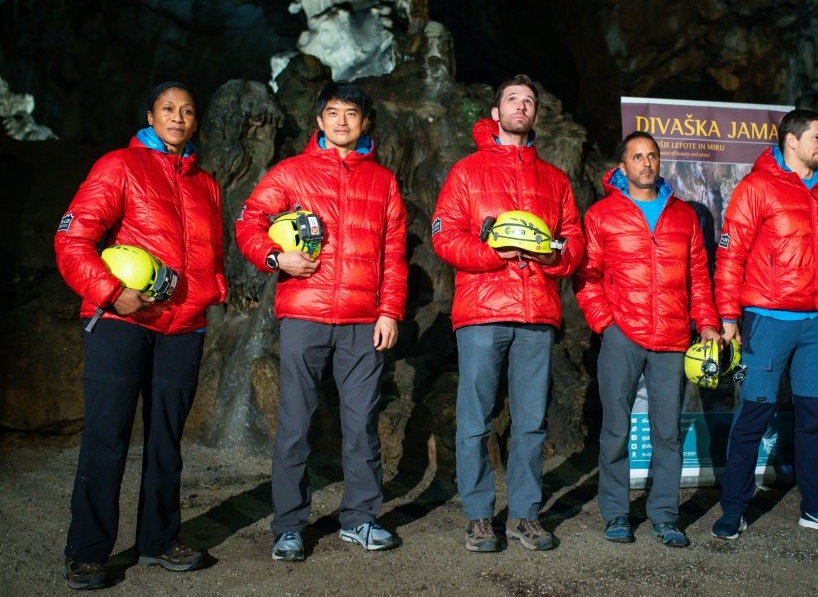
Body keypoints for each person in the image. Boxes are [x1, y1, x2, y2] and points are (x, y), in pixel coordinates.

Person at [54, 82, 226, 589]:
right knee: (107, 436)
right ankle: (87, 551)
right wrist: (110, 293)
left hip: (184, 327)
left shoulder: (205, 183)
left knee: (167, 442)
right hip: (123, 322)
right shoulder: (119, 166)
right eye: (168, 109)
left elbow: (208, 251)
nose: (178, 117)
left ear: (196, 123)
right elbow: (71, 237)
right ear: (149, 115)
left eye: (187, 111)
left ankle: (159, 539)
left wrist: (214, 290)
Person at [235, 81, 407, 560]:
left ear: (365, 122)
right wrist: (275, 258)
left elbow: (394, 254)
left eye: (352, 114)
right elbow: (248, 221)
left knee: (361, 425)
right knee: (294, 424)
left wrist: (390, 310)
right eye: (333, 113)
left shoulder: (383, 181)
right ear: (319, 120)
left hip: (362, 320)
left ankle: (362, 519)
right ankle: (289, 526)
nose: (342, 122)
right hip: (304, 314)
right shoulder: (291, 173)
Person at [432, 74, 583, 552]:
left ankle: (524, 515)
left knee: (532, 422)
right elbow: (444, 234)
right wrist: (494, 253)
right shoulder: (467, 172)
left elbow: (573, 241)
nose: (522, 106)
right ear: (495, 113)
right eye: (513, 100)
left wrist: (552, 256)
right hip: (480, 309)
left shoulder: (555, 179)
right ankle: (479, 516)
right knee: (475, 419)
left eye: (529, 101)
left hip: (537, 310)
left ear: (535, 115)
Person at [712, 108, 818, 540]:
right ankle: (734, 508)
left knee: (813, 418)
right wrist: (728, 316)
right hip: (768, 321)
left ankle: (816, 507)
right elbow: (730, 254)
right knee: (754, 415)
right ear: (792, 141)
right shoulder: (757, 187)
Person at [574, 131, 720, 547]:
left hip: (673, 336)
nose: (646, 163)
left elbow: (698, 278)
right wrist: (607, 323)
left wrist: (706, 323)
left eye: (652, 156)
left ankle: (664, 515)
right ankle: (617, 514)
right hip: (623, 333)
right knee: (616, 429)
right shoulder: (602, 215)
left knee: (668, 433)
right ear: (622, 168)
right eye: (637, 157)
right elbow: (588, 278)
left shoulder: (684, 217)